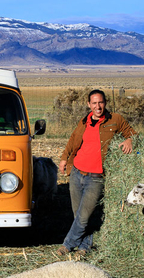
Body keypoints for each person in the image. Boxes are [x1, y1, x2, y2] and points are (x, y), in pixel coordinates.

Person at [57, 89, 136, 257]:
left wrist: (129, 139)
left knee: (84, 216)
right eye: (94, 103)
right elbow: (73, 140)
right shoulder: (84, 121)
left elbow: (132, 133)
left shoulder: (115, 119)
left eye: (100, 102)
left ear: (105, 103)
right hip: (77, 172)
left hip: (96, 177)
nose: (97, 106)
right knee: (78, 214)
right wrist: (64, 159)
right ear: (89, 105)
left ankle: (67, 245)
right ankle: (84, 247)